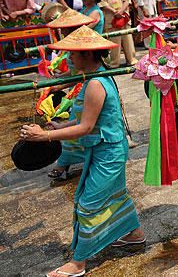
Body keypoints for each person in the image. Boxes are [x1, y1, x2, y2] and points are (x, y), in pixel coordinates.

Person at [20, 26, 145, 277]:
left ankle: (79, 262)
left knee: (88, 204)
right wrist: (61, 125)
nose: (69, 59)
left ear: (88, 55)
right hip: (102, 148)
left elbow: (86, 127)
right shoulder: (92, 79)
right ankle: (134, 234)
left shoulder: (96, 84)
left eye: (73, 54)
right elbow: (88, 120)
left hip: (108, 152)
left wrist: (44, 135)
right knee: (115, 194)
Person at [44, 9, 96, 180]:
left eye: (66, 29)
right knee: (75, 125)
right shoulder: (70, 47)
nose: (63, 32)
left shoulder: (84, 46)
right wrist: (57, 80)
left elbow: (80, 76)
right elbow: (74, 72)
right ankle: (65, 162)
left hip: (86, 90)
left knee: (83, 127)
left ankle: (69, 162)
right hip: (80, 92)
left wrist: (59, 86)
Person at [99, 0, 137, 67]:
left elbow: (127, 0)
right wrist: (114, 11)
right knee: (114, 43)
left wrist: (121, 11)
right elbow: (102, 4)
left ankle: (131, 59)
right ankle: (114, 63)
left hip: (123, 18)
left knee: (128, 40)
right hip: (111, 20)